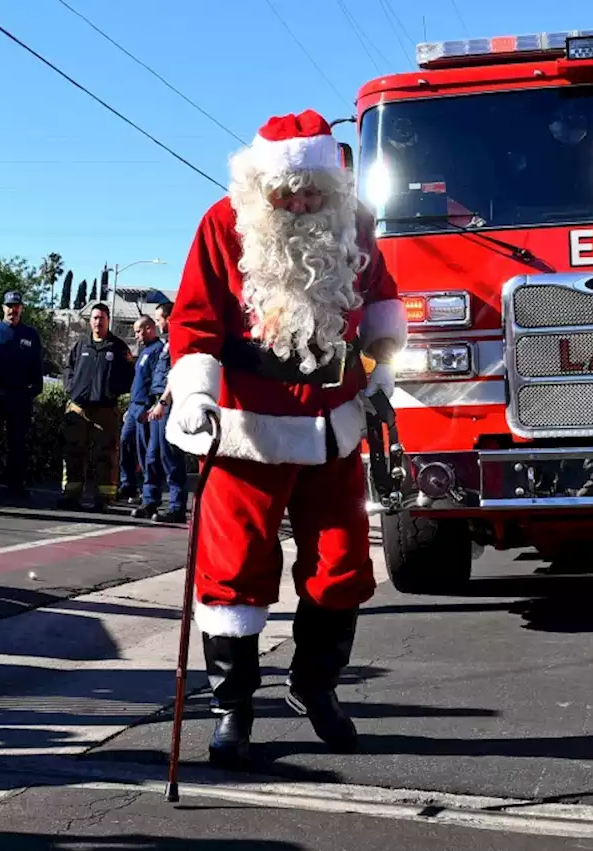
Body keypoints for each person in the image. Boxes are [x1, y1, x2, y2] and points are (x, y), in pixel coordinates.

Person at [164, 110, 406, 767]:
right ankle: (232, 706)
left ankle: (315, 683)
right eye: (285, 193)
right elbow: (194, 316)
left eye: (311, 192)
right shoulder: (223, 224)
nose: (299, 204)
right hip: (246, 429)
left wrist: (381, 370)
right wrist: (194, 394)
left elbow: (382, 302)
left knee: (343, 566)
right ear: (261, 187)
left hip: (333, 424)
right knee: (233, 568)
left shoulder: (354, 225)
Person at [60, 303, 135, 511]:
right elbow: (69, 368)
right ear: (90, 321)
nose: (97, 322)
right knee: (73, 452)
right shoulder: (81, 345)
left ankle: (104, 498)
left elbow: (130, 375)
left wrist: (112, 391)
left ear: (108, 320)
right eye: (94, 318)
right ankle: (71, 494)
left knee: (106, 454)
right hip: (78, 408)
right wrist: (71, 388)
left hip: (105, 410)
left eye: (101, 318)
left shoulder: (118, 347)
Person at [0, 291, 44, 498]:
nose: (13, 310)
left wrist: (34, 390)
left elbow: (36, 366)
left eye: (17, 306)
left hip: (20, 395)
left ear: (21, 308)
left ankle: (16, 486)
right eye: (9, 306)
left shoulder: (31, 335)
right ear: (3, 308)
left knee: (18, 442)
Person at [138, 301, 187, 523]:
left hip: (170, 404)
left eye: (159, 319)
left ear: (169, 318)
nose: (157, 324)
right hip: (159, 402)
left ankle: (177, 506)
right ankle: (150, 500)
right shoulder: (167, 343)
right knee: (152, 455)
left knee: (170, 455)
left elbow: (177, 374)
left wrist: (164, 402)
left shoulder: (179, 341)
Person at [119, 317, 161, 503]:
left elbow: (156, 381)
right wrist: (130, 407)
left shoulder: (158, 350)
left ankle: (149, 492)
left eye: (138, 331)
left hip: (145, 407)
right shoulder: (144, 352)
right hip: (134, 407)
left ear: (149, 328)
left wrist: (150, 405)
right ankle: (128, 486)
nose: (136, 336)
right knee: (125, 443)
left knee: (145, 450)